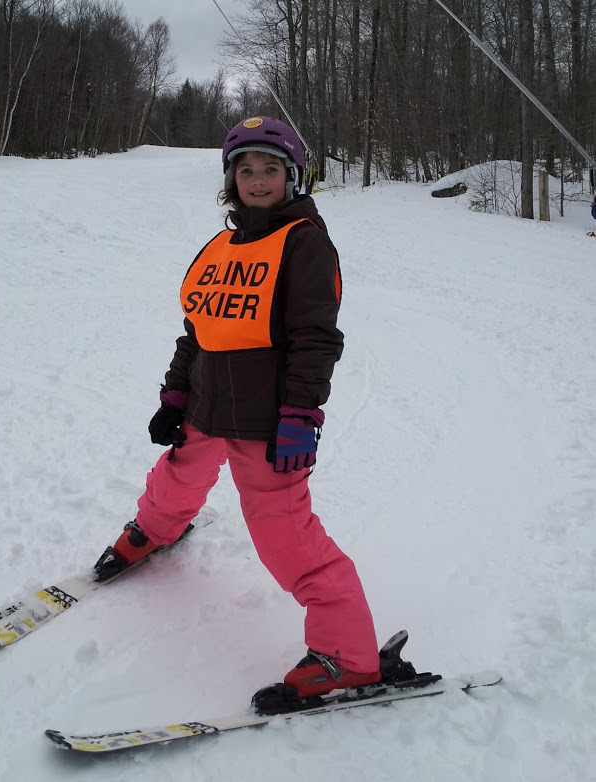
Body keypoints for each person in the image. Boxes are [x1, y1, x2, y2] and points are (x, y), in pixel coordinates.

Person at [93, 116, 382, 704]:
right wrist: (176, 395)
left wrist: (300, 415)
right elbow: (197, 332)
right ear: (231, 179)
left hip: (266, 420)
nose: (257, 180)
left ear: (292, 176)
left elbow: (315, 338)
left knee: (284, 532)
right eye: (245, 169)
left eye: (270, 169)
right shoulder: (220, 246)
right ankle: (153, 531)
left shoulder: (304, 242)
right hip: (206, 403)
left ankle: (348, 656)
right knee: (178, 476)